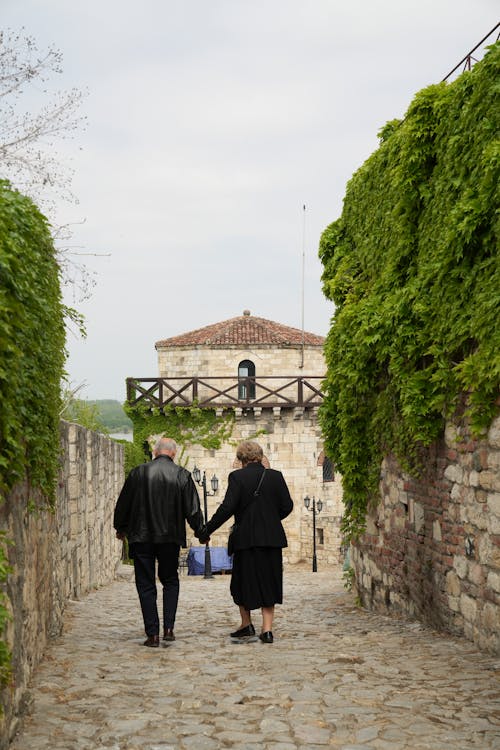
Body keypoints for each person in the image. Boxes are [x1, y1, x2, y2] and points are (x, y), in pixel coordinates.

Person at [198, 441, 293, 643]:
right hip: (271, 539)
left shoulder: (237, 477)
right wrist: (270, 519)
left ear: (242, 459)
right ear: (259, 456)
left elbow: (227, 508)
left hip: (246, 539)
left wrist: (207, 530)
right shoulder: (276, 476)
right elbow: (287, 506)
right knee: (269, 581)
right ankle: (267, 630)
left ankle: (246, 624)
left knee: (243, 581)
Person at [114, 437, 204, 647]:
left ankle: (152, 633)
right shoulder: (182, 475)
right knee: (170, 580)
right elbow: (192, 509)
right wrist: (201, 531)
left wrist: (121, 528)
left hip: (141, 536)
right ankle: (169, 629)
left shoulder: (138, 473)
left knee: (145, 583)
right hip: (169, 537)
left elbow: (123, 504)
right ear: (173, 453)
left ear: (155, 452)